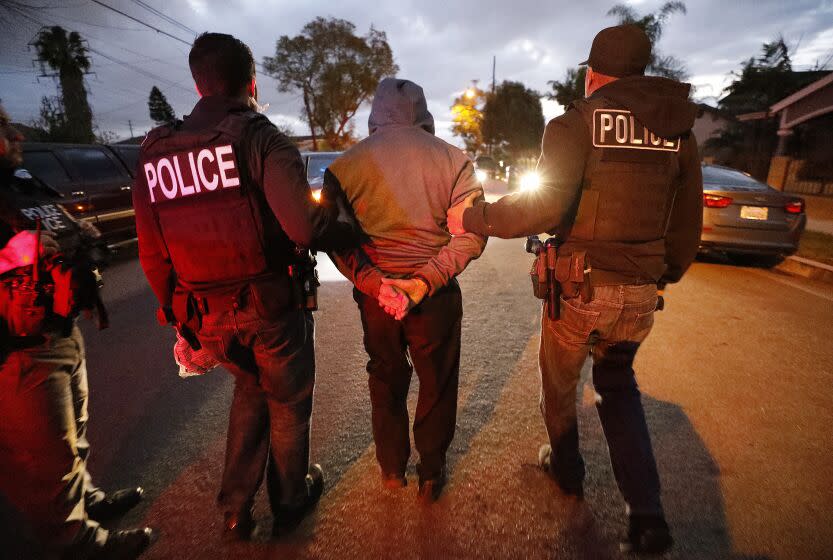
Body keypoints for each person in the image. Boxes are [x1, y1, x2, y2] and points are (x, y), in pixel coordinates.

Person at [447, 24, 703, 554]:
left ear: (592, 75)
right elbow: (687, 221)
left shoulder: (576, 123)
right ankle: (647, 514)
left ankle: (567, 470)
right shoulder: (678, 129)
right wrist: (663, 273)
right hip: (638, 293)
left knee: (561, 384)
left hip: (579, 289)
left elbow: (543, 208)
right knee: (617, 386)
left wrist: (473, 217)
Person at [133, 33, 357, 541]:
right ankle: (289, 502)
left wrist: (181, 317)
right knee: (287, 400)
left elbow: (152, 252)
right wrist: (342, 225)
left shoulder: (155, 152)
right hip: (271, 308)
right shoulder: (260, 138)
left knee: (250, 388)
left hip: (205, 316)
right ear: (250, 82)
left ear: (197, 84)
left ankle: (235, 509)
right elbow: (304, 227)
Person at [0, 103, 153, 559]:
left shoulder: (21, 184)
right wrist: (19, 250)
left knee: (72, 435)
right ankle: (78, 544)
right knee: (45, 456)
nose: (19, 137)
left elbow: (55, 228)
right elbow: (20, 250)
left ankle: (85, 502)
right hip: (19, 348)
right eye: (6, 130)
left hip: (59, 325)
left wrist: (77, 233)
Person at [327, 78, 487, 503]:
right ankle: (431, 472)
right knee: (437, 380)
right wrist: (424, 281)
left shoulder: (343, 167)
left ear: (376, 114)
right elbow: (470, 236)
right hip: (434, 296)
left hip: (376, 299)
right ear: (422, 111)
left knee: (385, 373)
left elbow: (336, 241)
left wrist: (377, 284)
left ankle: (392, 468)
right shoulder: (454, 161)